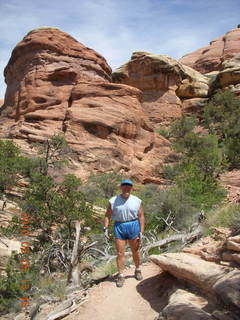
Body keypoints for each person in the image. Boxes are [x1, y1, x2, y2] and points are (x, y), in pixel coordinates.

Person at [103, 179, 145, 287]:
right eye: (124, 186)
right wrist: (105, 228)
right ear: (121, 187)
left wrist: (141, 231)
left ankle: (137, 269)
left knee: (135, 250)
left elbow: (141, 216)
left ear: (131, 188)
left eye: (128, 186)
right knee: (120, 253)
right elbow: (107, 215)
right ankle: (121, 275)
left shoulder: (136, 200)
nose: (126, 188)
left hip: (133, 225)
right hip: (119, 226)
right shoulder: (113, 201)